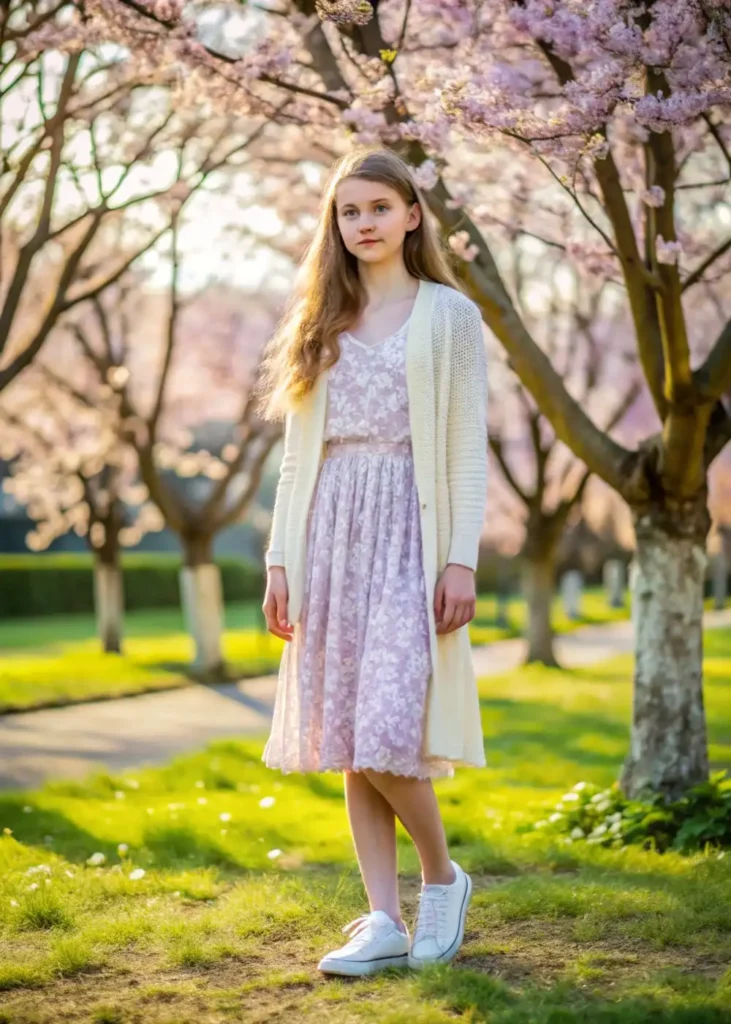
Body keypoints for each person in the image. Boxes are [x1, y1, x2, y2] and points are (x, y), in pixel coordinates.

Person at [254, 146, 488, 977]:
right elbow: (293, 461)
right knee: (350, 737)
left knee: (389, 730)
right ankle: (382, 918)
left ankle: (441, 882)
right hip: (328, 537)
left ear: (412, 215)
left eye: (378, 208)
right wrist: (281, 561)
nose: (363, 224)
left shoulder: (448, 316)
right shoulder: (320, 321)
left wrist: (458, 560)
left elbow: (465, 449)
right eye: (349, 211)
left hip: (409, 536)